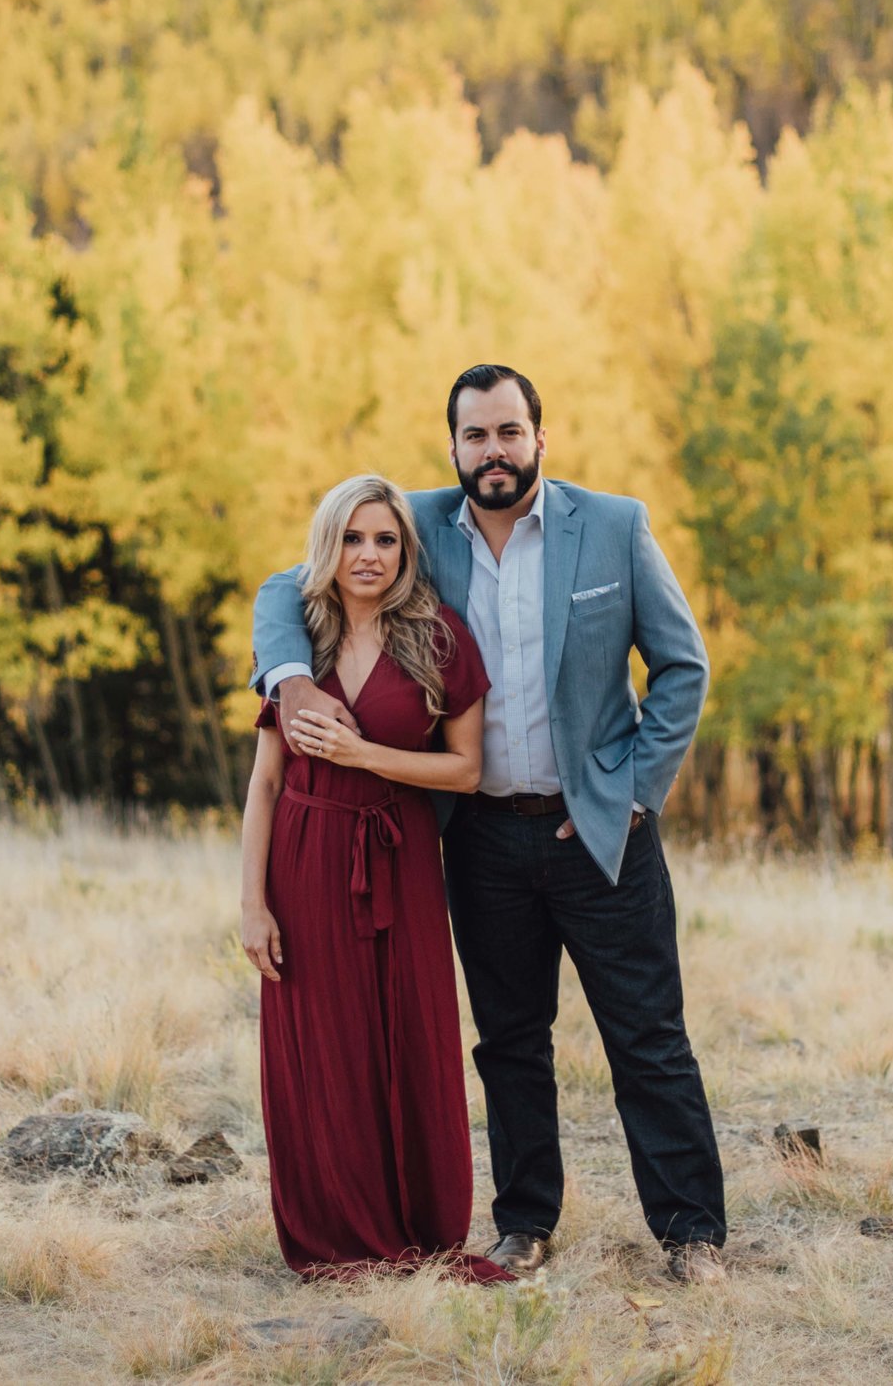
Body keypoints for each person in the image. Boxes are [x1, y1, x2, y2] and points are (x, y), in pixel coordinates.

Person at [254, 364, 728, 1285]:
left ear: (540, 438)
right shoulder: (420, 526)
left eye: (510, 432)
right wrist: (289, 678)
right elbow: (287, 584)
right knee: (510, 1039)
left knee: (647, 1035)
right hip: (478, 839)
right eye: (476, 437)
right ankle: (525, 1223)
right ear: (455, 448)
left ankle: (691, 1233)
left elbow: (683, 667)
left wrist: (633, 792)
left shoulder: (616, 528)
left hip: (600, 834)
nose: (494, 452)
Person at [238, 473, 512, 1283]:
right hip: (303, 855)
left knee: (407, 1035)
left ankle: (416, 1222)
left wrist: (364, 755)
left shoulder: (440, 637)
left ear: (405, 550)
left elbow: (465, 771)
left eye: (385, 540)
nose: (369, 555)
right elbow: (262, 781)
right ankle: (331, 1230)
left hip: (400, 861)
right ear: (329, 546)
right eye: (353, 538)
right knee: (319, 1043)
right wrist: (251, 902)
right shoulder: (297, 644)